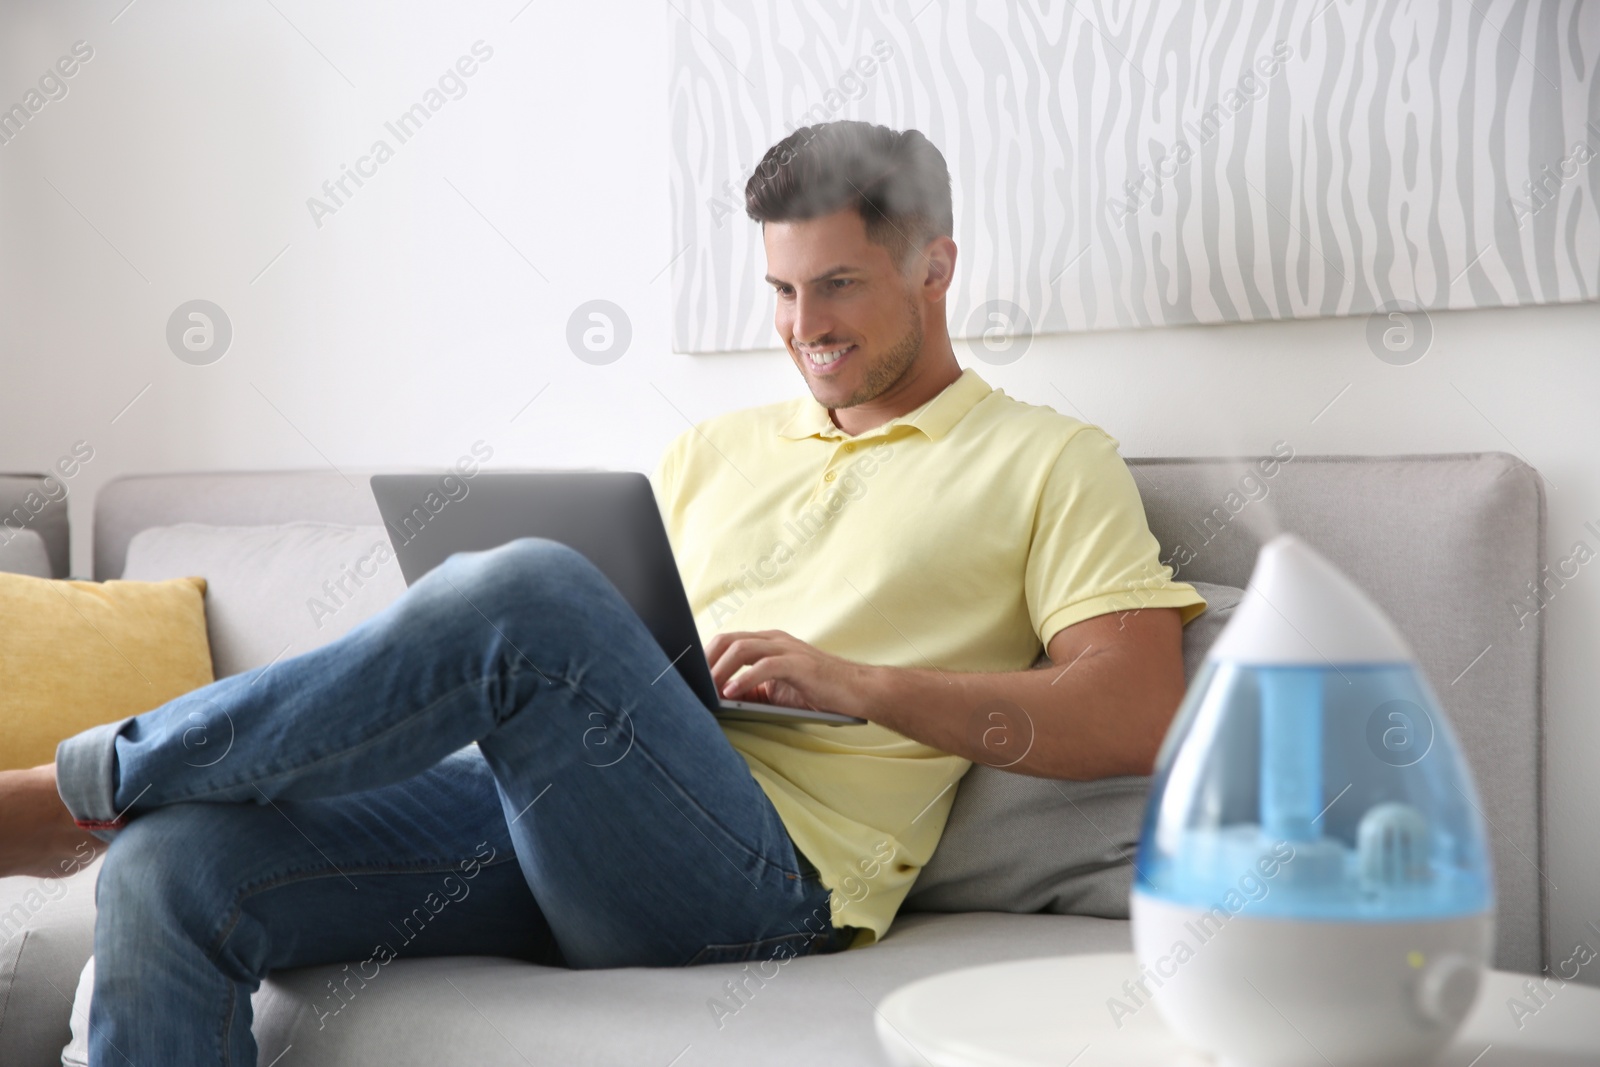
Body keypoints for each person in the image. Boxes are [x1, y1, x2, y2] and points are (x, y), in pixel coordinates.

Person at [0, 120, 1205, 1065]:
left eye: (836, 285)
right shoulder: (713, 452)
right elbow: (613, 671)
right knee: (174, 865)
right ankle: (125, 807)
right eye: (782, 291)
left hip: (763, 875)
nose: (803, 327)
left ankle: (78, 789)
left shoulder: (1047, 458)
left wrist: (867, 685)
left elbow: (1135, 710)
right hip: (560, 825)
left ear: (936, 265)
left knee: (526, 588)